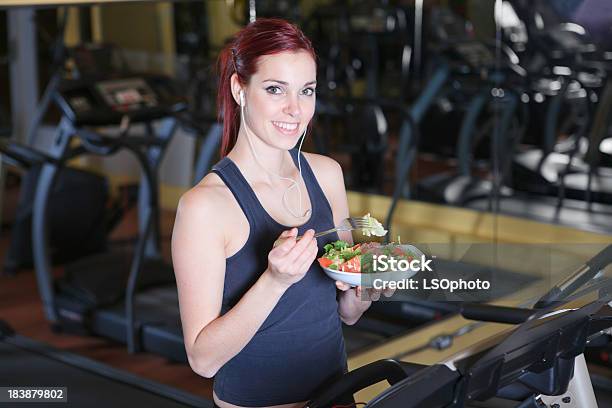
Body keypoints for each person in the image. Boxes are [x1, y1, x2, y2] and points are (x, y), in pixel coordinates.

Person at [171, 18, 389, 408]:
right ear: (240, 90)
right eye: (275, 90)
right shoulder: (204, 207)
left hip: (336, 396)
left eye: (307, 91)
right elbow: (202, 360)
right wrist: (274, 280)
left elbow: (348, 314)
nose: (295, 109)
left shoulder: (326, 174)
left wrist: (366, 286)